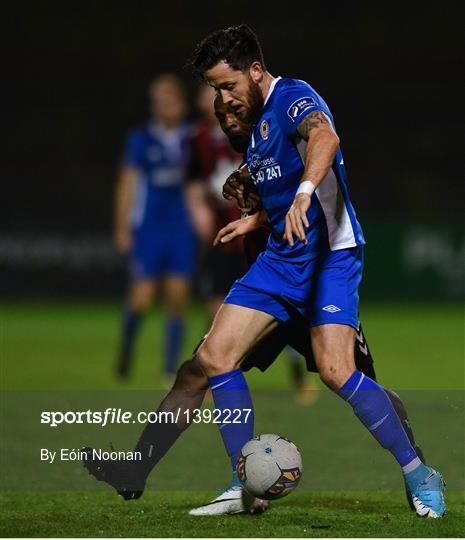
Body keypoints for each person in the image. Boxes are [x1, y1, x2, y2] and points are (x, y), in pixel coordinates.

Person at [82, 96, 426, 517]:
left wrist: (272, 201)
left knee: (357, 381)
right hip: (270, 288)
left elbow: (317, 160)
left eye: (232, 111)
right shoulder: (252, 158)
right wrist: (253, 209)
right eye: (221, 116)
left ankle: (414, 462)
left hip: (316, 282)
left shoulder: (285, 136)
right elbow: (263, 199)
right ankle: (141, 470)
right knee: (199, 369)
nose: (227, 119)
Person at [184, 24, 445, 518]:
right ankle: (247, 487)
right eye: (215, 89)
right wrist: (256, 218)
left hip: (331, 255)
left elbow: (325, 137)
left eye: (228, 86)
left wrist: (305, 193)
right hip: (283, 256)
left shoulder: (292, 96)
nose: (222, 99)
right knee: (215, 356)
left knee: (336, 371)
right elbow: (276, 184)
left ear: (255, 71)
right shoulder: (255, 127)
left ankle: (419, 472)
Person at [187, 84, 318, 405]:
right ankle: (209, 380)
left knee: (289, 323)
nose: (217, 97)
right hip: (227, 238)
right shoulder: (198, 138)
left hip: (271, 247)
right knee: (215, 316)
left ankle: (300, 380)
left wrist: (285, 202)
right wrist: (200, 213)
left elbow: (292, 162)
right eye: (210, 91)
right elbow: (192, 182)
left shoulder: (259, 129)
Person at [114, 74, 196, 383]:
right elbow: (127, 183)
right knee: (142, 298)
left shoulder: (193, 138)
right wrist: (122, 226)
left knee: (177, 298)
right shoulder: (141, 139)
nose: (164, 104)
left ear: (181, 101)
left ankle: (169, 367)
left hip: (181, 229)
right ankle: (126, 348)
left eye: (169, 97)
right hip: (148, 229)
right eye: (158, 99)